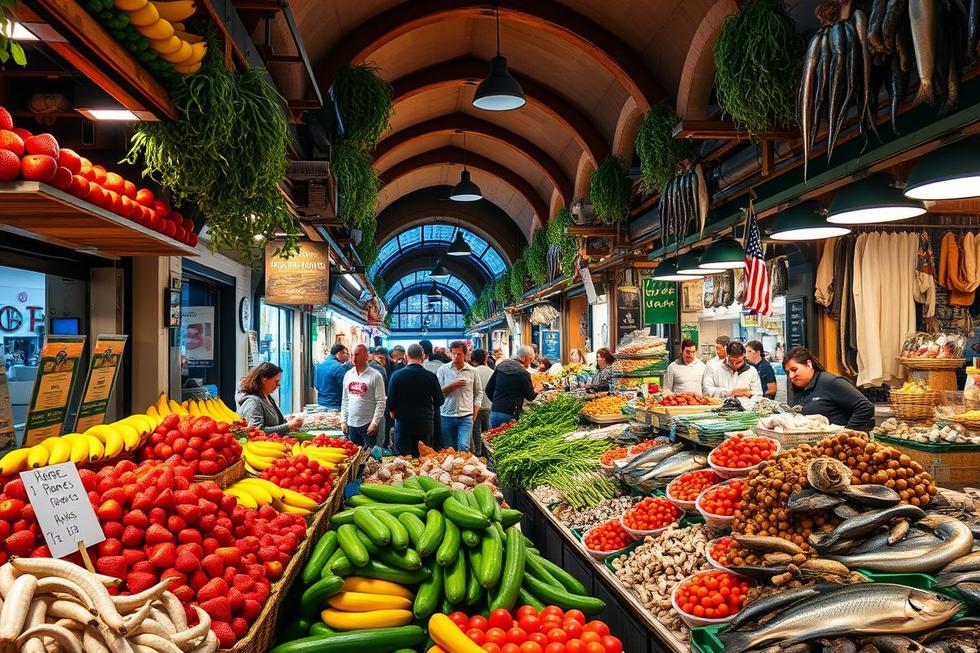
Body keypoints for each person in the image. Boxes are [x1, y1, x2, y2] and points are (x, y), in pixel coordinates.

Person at [784, 347, 875, 432]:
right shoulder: (798, 389)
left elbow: (865, 407)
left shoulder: (830, 382)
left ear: (809, 364)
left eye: (794, 369)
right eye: (788, 372)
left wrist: (847, 434)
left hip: (836, 446)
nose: (791, 376)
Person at [386, 344, 444, 456]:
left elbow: (390, 403)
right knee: (422, 460)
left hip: (403, 425)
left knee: (404, 462)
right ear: (422, 357)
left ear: (406, 357)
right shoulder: (431, 376)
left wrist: (394, 414)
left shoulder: (397, 376)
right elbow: (440, 401)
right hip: (424, 426)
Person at [436, 341, 484, 451]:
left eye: (459, 354)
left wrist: (475, 410)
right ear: (450, 353)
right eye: (453, 354)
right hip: (447, 415)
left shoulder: (472, 371)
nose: (456, 357)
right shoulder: (443, 370)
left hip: (466, 415)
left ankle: (464, 467)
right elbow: (437, 392)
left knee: (463, 446)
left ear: (465, 354)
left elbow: (478, 392)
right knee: (450, 448)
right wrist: (452, 386)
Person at [236, 363, 304, 434]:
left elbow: (271, 422)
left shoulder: (268, 397)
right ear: (264, 380)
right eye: (276, 381)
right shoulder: (252, 402)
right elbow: (256, 431)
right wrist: (287, 426)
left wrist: (286, 420)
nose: (279, 384)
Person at [340, 344, 387, 448]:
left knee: (371, 458)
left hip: (368, 424)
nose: (353, 358)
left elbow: (381, 401)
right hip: (351, 424)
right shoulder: (348, 375)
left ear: (366, 356)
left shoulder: (375, 375)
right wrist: (343, 421)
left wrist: (374, 423)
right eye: (352, 355)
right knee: (354, 456)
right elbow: (345, 400)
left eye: (357, 355)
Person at [486, 346, 539, 428]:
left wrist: (497, 403)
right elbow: (530, 397)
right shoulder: (524, 374)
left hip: (494, 412)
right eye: (531, 359)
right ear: (525, 358)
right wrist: (537, 389)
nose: (531, 362)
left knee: (493, 438)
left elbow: (488, 389)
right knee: (506, 439)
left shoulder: (501, 366)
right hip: (510, 415)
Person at [470, 349, 494, 454]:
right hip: (489, 406)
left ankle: (478, 454)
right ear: (485, 359)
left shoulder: (473, 372)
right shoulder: (492, 372)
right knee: (488, 432)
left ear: (473, 359)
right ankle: (488, 453)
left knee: (476, 432)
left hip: (475, 406)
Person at [313, 344, 350, 410]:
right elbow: (344, 388)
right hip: (334, 404)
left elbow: (316, 385)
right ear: (339, 353)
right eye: (345, 353)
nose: (346, 356)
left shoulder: (319, 366)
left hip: (320, 403)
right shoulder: (338, 367)